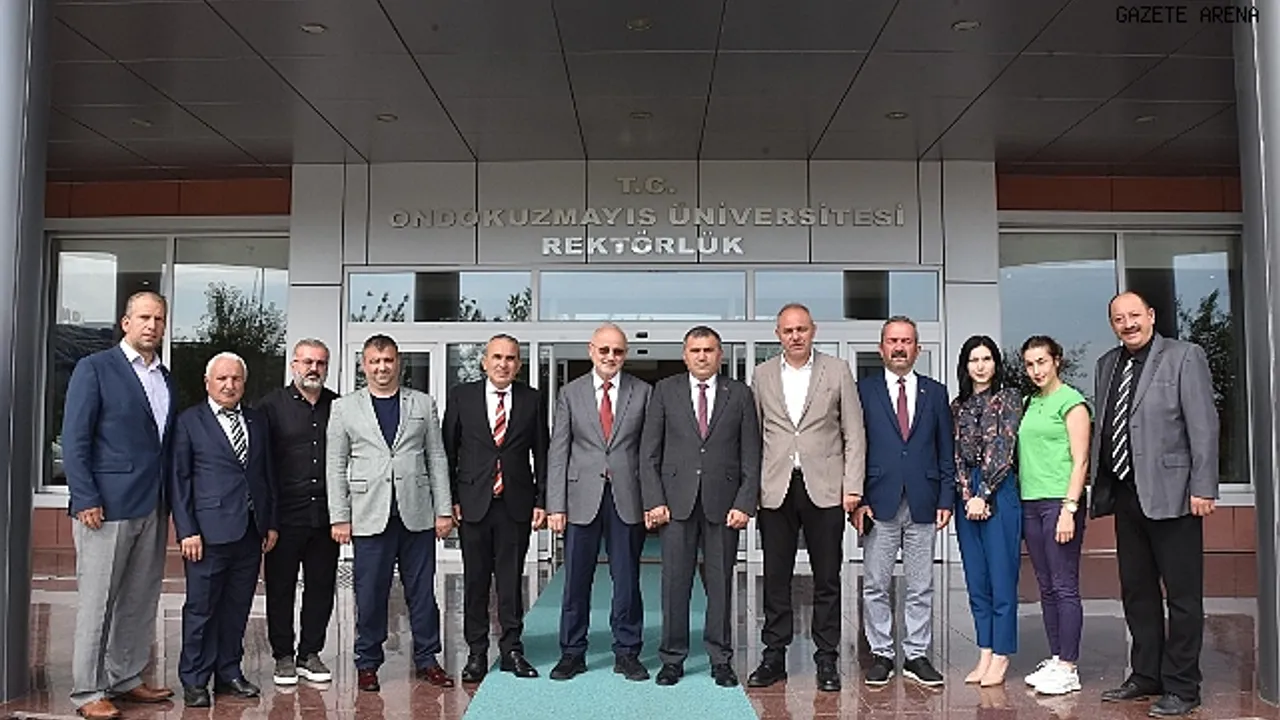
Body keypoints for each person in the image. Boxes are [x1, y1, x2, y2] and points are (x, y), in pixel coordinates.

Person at [1090, 292, 1218, 717]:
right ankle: (1146, 674)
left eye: (1134, 315)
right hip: (1127, 495)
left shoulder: (1184, 356)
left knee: (1182, 597)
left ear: (1151, 316)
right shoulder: (1107, 364)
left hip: (1175, 494)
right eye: (1118, 318)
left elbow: (1203, 425)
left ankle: (1183, 685)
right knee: (1138, 592)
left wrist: (1204, 487)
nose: (1128, 324)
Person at [62, 290, 177, 720]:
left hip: (152, 504)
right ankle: (87, 690)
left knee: (139, 599)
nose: (152, 325)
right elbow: (75, 438)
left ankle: (126, 677)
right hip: (105, 507)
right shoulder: (95, 368)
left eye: (158, 319)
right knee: (98, 602)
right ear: (126, 323)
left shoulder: (165, 377)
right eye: (144, 317)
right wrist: (85, 496)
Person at [326, 334, 455, 692]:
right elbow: (335, 465)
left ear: (399, 363)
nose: (382, 367)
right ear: (364, 365)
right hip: (369, 515)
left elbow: (437, 457)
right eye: (374, 361)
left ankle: (428, 659)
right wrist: (339, 516)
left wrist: (444, 510)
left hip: (417, 514)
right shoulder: (344, 408)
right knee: (370, 593)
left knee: (422, 593)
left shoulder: (423, 403)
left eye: (388, 360)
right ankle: (367, 662)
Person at [747, 303, 865, 693]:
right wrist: (752, 490)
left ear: (813, 330)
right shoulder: (762, 374)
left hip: (826, 487)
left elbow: (854, 432)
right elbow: (755, 434)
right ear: (778, 335)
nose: (795, 336)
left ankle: (826, 657)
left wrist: (852, 486)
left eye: (801, 329)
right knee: (775, 576)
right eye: (788, 330)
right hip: (776, 488)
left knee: (827, 576)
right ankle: (774, 656)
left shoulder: (837, 370)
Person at [639, 326, 761, 688]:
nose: (702, 356)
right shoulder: (665, 391)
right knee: (674, 584)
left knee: (720, 583)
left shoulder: (739, 394)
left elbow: (751, 454)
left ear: (720, 355)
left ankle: (720, 659)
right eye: (695, 350)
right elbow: (649, 452)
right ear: (685, 355)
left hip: (724, 506)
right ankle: (672, 658)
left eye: (709, 350)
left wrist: (745, 502)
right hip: (675, 504)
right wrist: (654, 500)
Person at [546, 323, 653, 682]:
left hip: (628, 497)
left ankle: (628, 652)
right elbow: (559, 451)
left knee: (627, 580)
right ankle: (572, 652)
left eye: (618, 351)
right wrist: (556, 505)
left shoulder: (643, 392)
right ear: (591, 350)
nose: (611, 357)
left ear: (625, 354)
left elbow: (650, 452)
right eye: (604, 350)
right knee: (576, 580)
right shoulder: (570, 393)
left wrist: (653, 500)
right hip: (580, 499)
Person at [170, 352, 279, 707]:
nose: (229, 385)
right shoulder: (189, 421)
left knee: (237, 607)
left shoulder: (257, 420)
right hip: (207, 533)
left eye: (236, 379)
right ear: (208, 383)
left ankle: (229, 672)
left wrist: (270, 521)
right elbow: (179, 480)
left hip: (250, 531)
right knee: (201, 609)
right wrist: (187, 530)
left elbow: (266, 474)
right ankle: (195, 679)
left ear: (244, 383)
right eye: (222, 379)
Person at [854, 315, 955, 688]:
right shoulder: (863, 391)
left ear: (918, 348)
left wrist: (946, 497)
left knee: (920, 584)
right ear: (881, 348)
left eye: (906, 341)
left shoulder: (936, 393)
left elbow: (946, 450)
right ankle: (881, 653)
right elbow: (854, 448)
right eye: (893, 341)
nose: (899, 347)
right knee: (875, 584)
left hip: (923, 501)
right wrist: (858, 499)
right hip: (877, 502)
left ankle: (916, 655)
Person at [443, 334, 549, 683]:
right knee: (475, 581)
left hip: (515, 504)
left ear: (519, 365)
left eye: (511, 358)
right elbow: (448, 451)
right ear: (484, 361)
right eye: (497, 357)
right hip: (473, 503)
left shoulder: (532, 399)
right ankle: (476, 653)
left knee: (510, 581)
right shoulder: (462, 397)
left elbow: (542, 453)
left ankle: (511, 649)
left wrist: (542, 500)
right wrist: (450, 499)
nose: (503, 364)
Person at [256, 339, 340, 686]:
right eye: (307, 362)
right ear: (293, 365)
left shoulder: (339, 406)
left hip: (325, 516)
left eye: (320, 363)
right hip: (284, 517)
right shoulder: (269, 407)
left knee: (321, 587)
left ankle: (310, 654)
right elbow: (261, 466)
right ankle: (283, 656)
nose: (313, 369)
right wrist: (268, 520)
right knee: (281, 588)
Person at [1017, 335, 1090, 696]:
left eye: (1042, 362)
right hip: (1030, 503)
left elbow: (1081, 460)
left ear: (1057, 360)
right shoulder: (1029, 403)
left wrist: (1069, 509)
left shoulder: (1072, 402)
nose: (1036, 370)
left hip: (1059, 502)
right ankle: (1057, 657)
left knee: (1064, 585)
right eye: (1030, 364)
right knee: (1045, 586)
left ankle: (1069, 667)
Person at [950, 336, 1023, 687]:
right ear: (965, 366)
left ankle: (1002, 654)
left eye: (987, 358)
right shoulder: (957, 405)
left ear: (996, 363)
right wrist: (967, 495)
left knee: (1001, 576)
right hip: (967, 496)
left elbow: (1002, 449)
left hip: (999, 490)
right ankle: (985, 650)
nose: (980, 366)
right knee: (976, 579)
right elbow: (954, 455)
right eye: (974, 360)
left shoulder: (1008, 399)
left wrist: (983, 494)